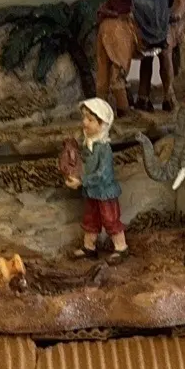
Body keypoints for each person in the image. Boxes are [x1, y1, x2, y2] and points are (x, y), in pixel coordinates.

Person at [64, 97, 128, 258]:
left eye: (90, 120)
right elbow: (84, 165)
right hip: (92, 192)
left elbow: (103, 174)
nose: (85, 122)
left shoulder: (104, 149)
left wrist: (82, 181)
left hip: (105, 192)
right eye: (84, 118)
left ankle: (121, 247)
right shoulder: (88, 146)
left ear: (102, 124)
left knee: (110, 219)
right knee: (90, 219)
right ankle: (89, 247)